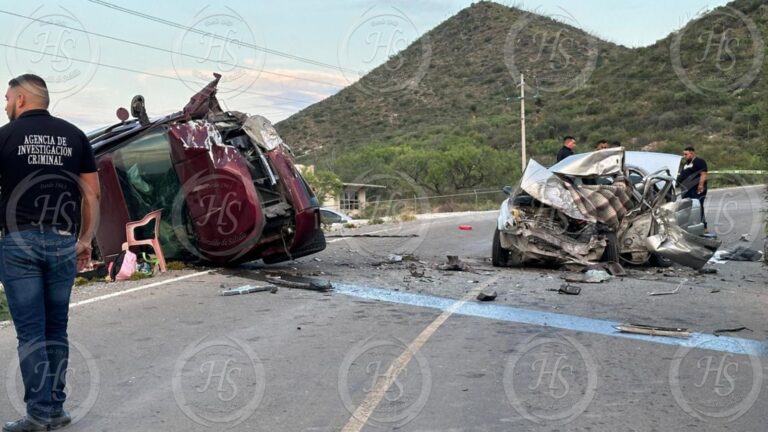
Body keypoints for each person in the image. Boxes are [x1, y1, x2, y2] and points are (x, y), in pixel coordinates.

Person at [0, 74, 100, 432]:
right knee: (56, 329)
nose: (6, 103)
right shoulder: (75, 135)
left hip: (19, 242)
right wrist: (85, 239)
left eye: (8, 97)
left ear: (23, 100)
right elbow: (92, 194)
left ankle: (39, 414)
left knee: (31, 333)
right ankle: (54, 409)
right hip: (62, 241)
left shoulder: (4, 136)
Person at [676, 146, 708, 229]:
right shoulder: (686, 164)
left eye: (686, 154)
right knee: (687, 207)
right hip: (686, 190)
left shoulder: (699, 161)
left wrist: (701, 185)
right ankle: (690, 225)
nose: (684, 156)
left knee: (698, 206)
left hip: (696, 189)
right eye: (684, 154)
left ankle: (703, 226)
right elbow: (682, 175)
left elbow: (703, 174)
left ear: (692, 153)